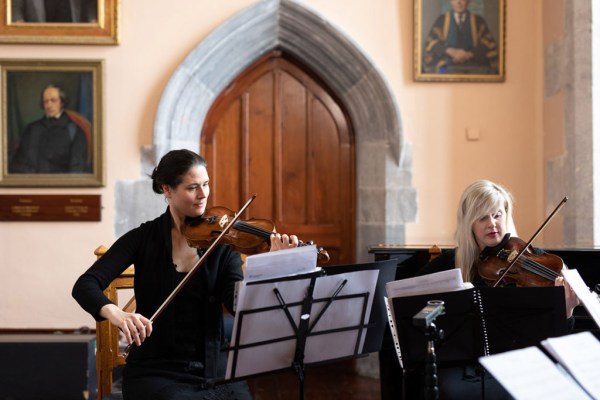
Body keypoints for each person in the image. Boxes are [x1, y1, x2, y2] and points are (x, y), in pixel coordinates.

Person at [72, 149, 299, 399]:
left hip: (214, 369)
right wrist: (117, 313)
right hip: (156, 371)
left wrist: (276, 266)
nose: (203, 195)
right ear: (167, 190)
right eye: (192, 188)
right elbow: (85, 285)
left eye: (206, 184)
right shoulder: (143, 238)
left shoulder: (222, 243)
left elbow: (237, 304)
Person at [414, 179, 580, 399]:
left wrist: (566, 310)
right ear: (469, 223)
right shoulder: (450, 262)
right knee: (449, 389)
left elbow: (555, 339)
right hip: (467, 365)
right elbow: (410, 294)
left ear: (506, 216)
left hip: (519, 362)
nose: (492, 223)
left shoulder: (536, 260)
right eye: (482, 217)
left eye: (497, 214)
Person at [9, 84, 90, 174]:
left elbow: (76, 171)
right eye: (45, 101)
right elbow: (17, 164)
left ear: (62, 102)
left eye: (53, 100)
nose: (49, 105)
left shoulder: (75, 133)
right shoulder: (32, 129)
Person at [422, 0, 499, 74]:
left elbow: (488, 44)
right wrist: (451, 51)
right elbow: (431, 43)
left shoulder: (478, 21)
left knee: (483, 77)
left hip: (474, 66)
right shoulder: (441, 20)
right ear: (450, 1)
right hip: (446, 66)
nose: (458, 2)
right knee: (441, 74)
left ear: (468, 1)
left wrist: (469, 54)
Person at [11, 0, 98, 23]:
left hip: (77, 47)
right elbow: (15, 9)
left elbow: (92, 6)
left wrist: (93, 21)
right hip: (36, 47)